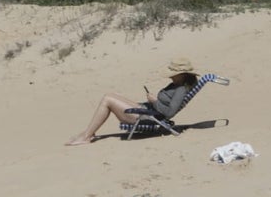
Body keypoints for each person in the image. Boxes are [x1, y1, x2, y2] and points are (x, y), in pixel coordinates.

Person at [65, 58, 201, 146]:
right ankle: (88, 132)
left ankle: (87, 136)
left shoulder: (180, 89)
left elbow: (170, 113)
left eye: (173, 73)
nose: (171, 75)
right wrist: (153, 102)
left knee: (108, 99)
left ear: (182, 74)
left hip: (147, 116)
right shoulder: (177, 85)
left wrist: (154, 101)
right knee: (112, 95)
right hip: (148, 110)